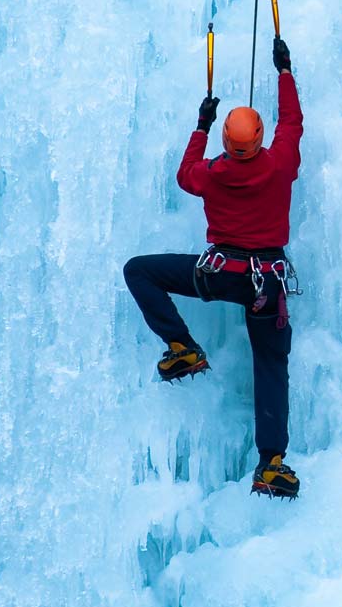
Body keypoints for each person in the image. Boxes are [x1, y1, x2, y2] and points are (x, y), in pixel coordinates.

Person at [123, 35, 303, 498]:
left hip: (219, 274)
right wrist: (285, 72)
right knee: (269, 363)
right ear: (260, 139)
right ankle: (272, 464)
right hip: (266, 284)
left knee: (140, 270)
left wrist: (201, 124)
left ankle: (182, 345)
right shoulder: (280, 164)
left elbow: (185, 172)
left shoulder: (211, 174)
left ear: (225, 140)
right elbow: (292, 122)